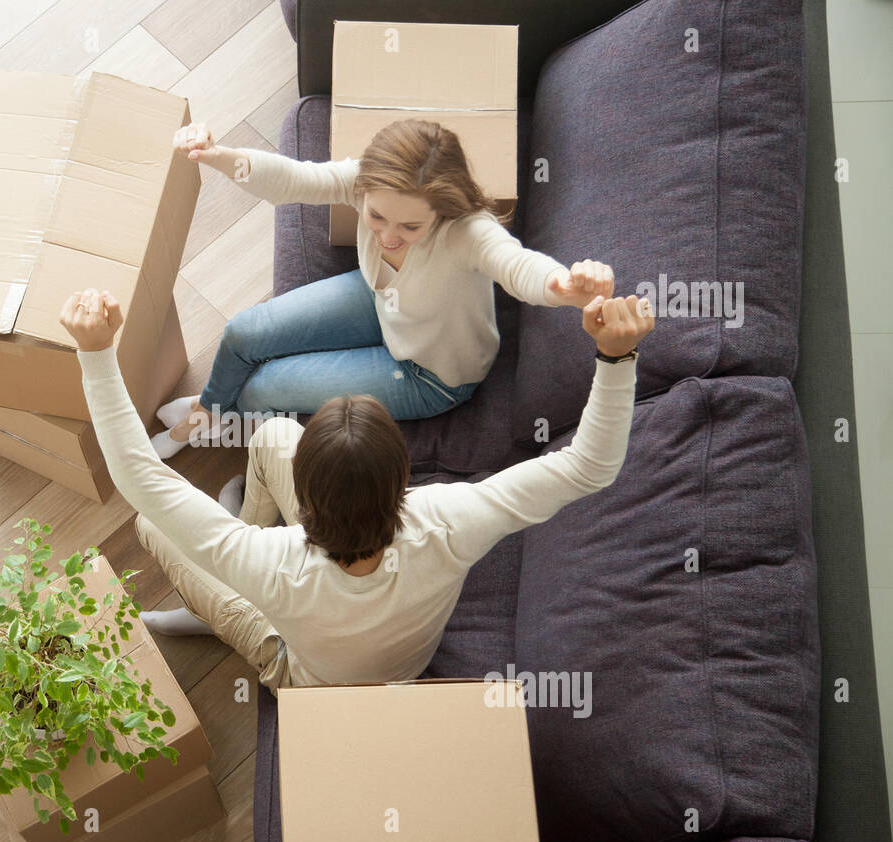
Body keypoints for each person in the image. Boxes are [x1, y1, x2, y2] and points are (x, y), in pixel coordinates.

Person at [58, 286, 656, 692]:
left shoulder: (268, 563)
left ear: (308, 500)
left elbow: (138, 476)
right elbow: (589, 467)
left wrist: (96, 353)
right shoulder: (450, 516)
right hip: (407, 659)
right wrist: (617, 355)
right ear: (403, 481)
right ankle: (223, 576)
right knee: (269, 439)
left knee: (152, 523)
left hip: (304, 673)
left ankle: (214, 609)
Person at [149, 118, 615, 458]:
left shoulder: (468, 232)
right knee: (243, 332)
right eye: (376, 217)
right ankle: (208, 411)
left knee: (258, 389)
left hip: (429, 373)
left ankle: (214, 416)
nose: (388, 237)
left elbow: (517, 266)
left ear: (442, 211)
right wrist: (218, 156)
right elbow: (293, 178)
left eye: (410, 226)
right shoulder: (364, 181)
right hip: (383, 303)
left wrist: (564, 285)